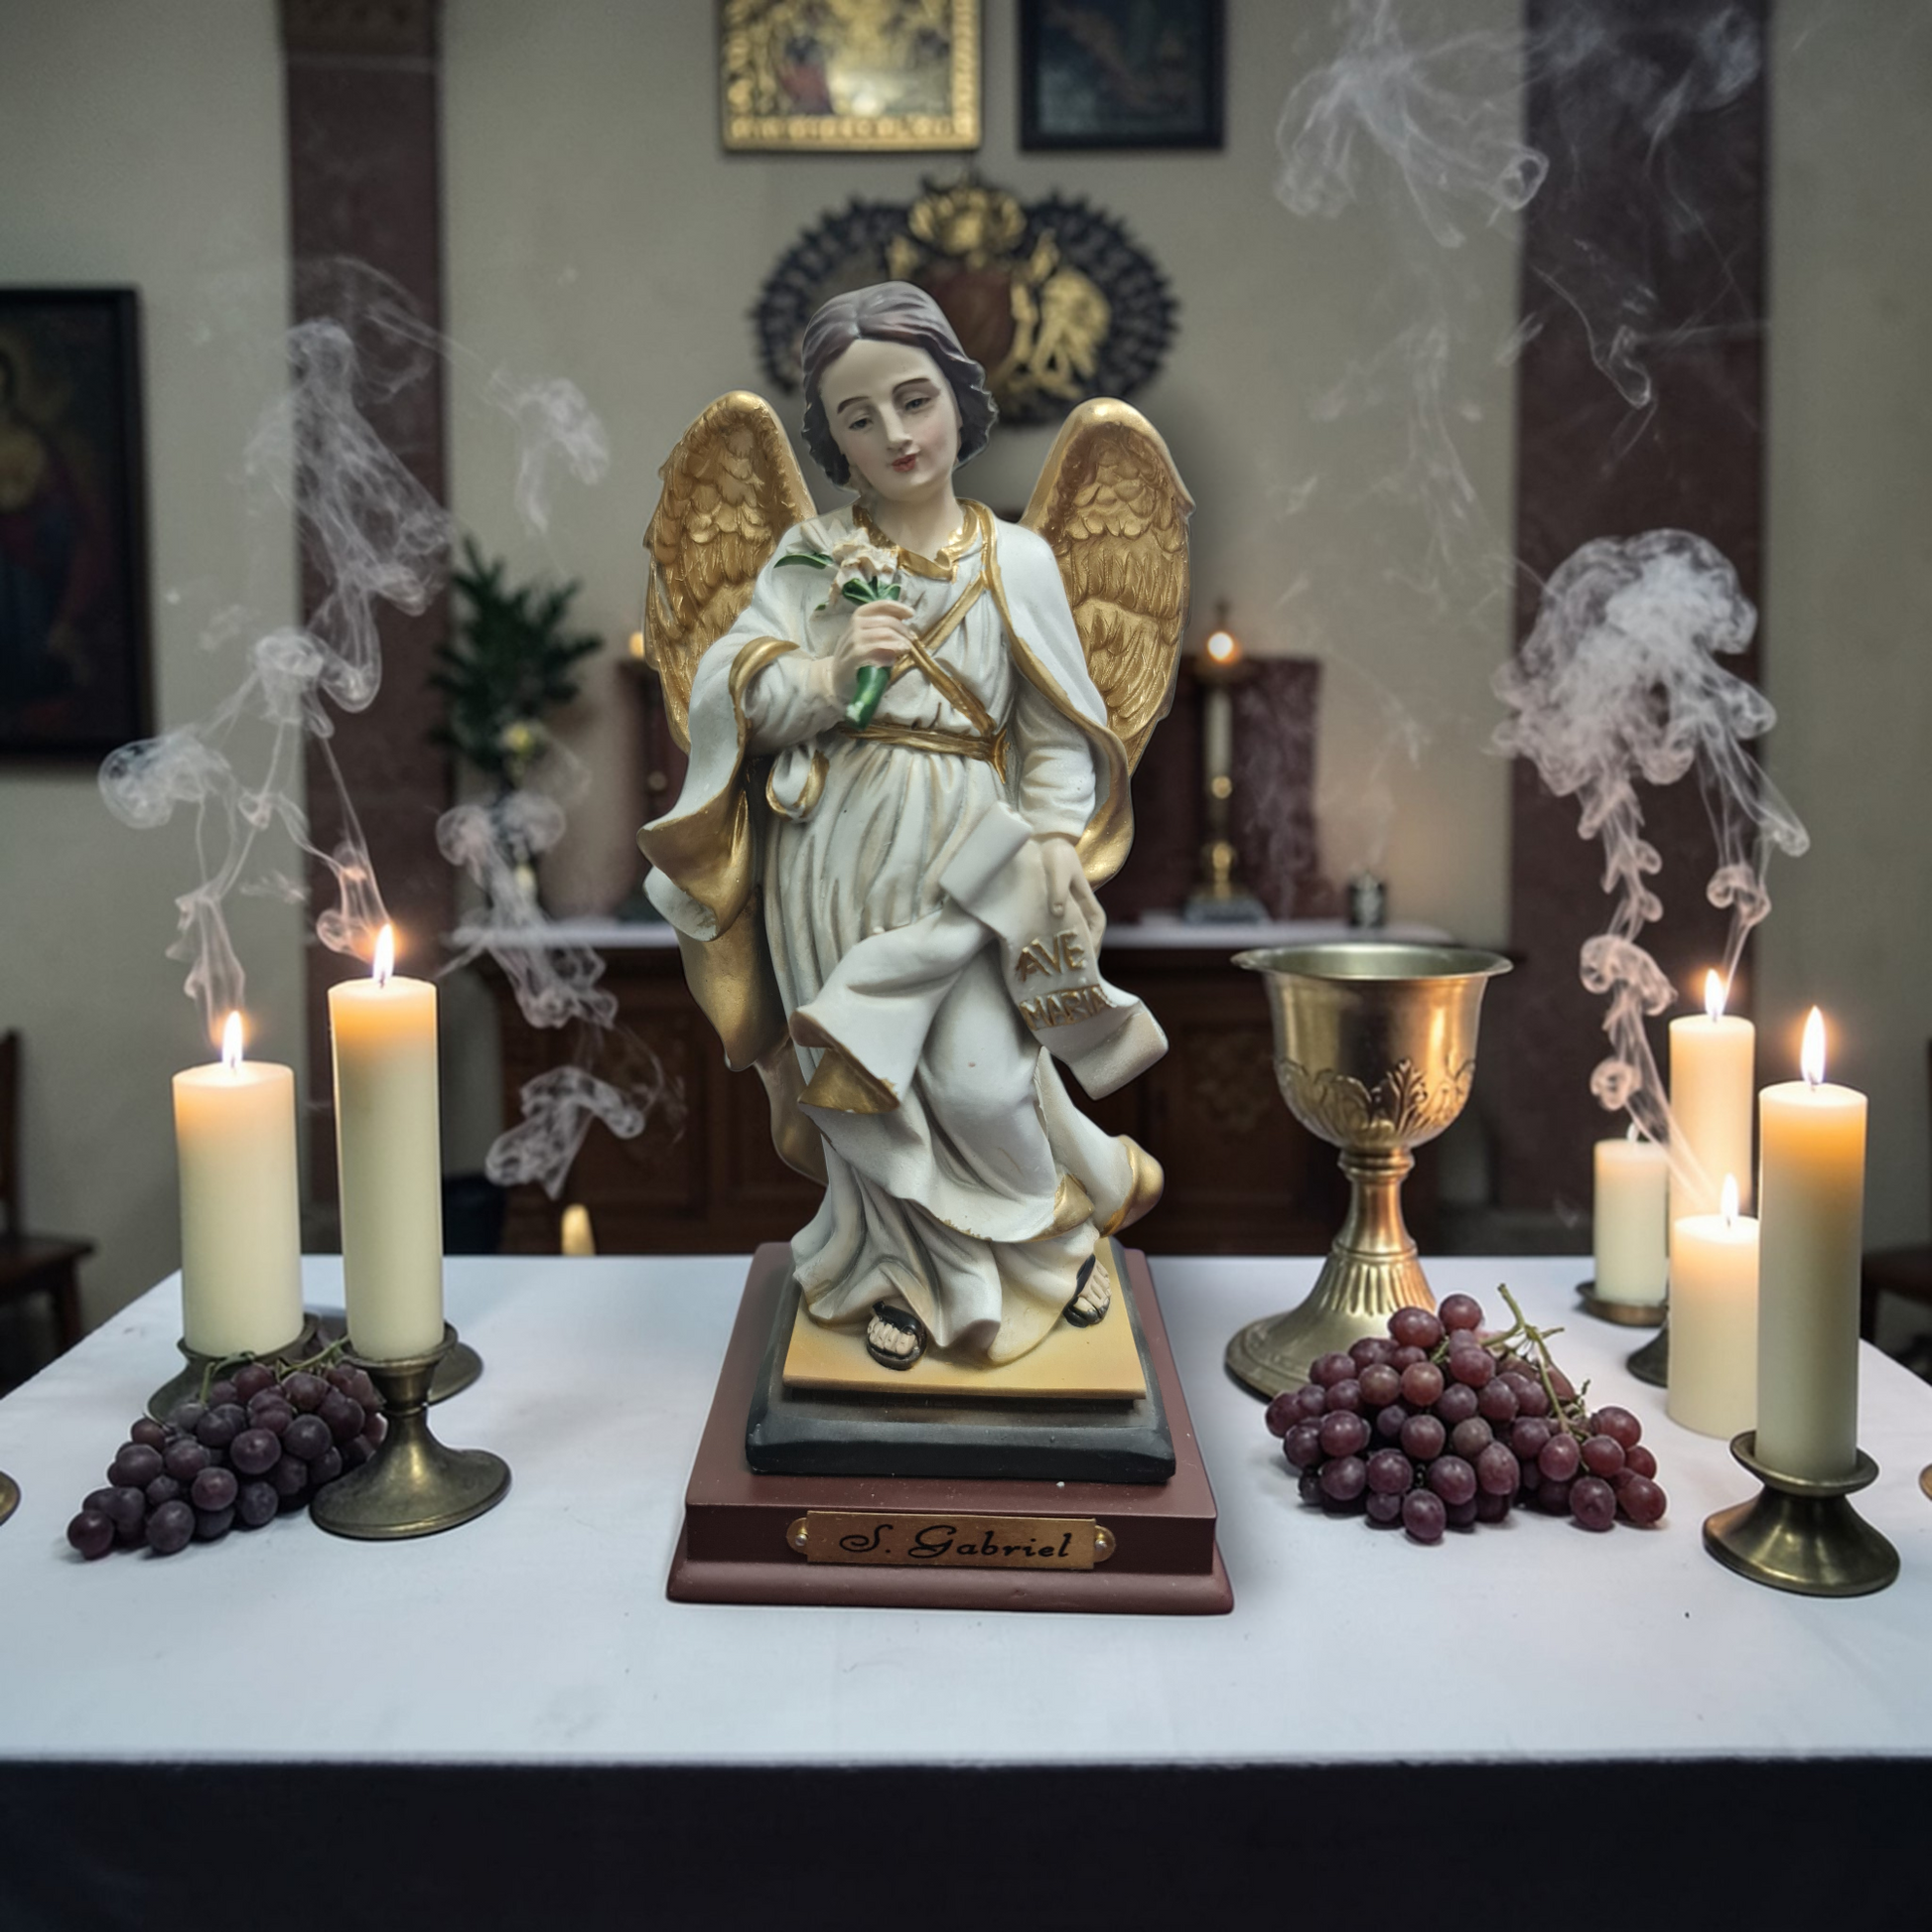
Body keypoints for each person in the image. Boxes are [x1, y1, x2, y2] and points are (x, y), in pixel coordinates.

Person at [641, 283, 1163, 1371]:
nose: (895, 433)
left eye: (914, 399)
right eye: (858, 416)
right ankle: (904, 1276)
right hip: (832, 855)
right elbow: (735, 695)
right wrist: (830, 675)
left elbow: (1057, 733)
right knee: (869, 1083)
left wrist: (1055, 844)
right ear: (831, 437)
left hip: (971, 854)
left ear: (958, 397)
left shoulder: (1016, 560)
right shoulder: (808, 555)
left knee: (982, 1078)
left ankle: (1056, 1236)